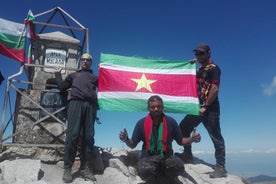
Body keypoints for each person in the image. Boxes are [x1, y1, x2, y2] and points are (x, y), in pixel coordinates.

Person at [119, 95, 201, 184]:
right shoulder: (141, 123)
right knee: (145, 171)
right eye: (153, 107)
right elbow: (133, 144)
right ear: (148, 108)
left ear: (162, 107)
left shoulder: (171, 122)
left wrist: (192, 139)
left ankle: (162, 177)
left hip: (167, 156)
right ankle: (161, 178)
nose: (156, 109)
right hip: (148, 157)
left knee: (179, 167)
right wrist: (126, 139)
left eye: (159, 106)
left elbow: (181, 141)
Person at [177, 44, 227, 178]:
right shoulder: (198, 69)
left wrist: (205, 106)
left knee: (215, 135)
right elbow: (188, 79)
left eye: (201, 53)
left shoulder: (214, 69)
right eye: (197, 54)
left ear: (208, 53)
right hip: (197, 107)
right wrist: (189, 66)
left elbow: (215, 89)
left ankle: (221, 167)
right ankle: (187, 155)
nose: (199, 56)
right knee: (183, 127)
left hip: (210, 108)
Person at [55, 53, 98, 183]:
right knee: (72, 135)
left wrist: (104, 71)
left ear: (91, 62)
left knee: (89, 137)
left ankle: (85, 168)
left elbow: (107, 85)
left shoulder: (94, 77)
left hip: (90, 106)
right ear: (80, 61)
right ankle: (67, 169)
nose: (85, 61)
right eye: (83, 59)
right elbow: (62, 86)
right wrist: (57, 74)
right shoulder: (73, 75)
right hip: (75, 104)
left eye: (88, 60)